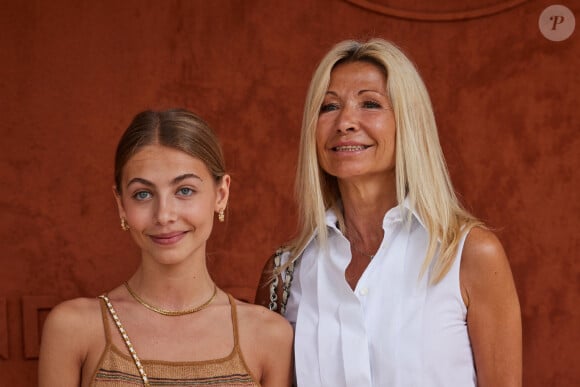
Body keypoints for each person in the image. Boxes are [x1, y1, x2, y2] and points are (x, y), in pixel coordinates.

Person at [255, 38, 522, 387]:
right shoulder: (285, 272)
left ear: (408, 123)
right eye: (328, 106)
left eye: (370, 104)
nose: (346, 121)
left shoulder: (469, 254)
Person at [39, 109, 293, 387]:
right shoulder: (74, 329)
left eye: (184, 190)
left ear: (221, 195)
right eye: (143, 194)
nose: (164, 215)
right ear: (121, 204)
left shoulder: (268, 336)